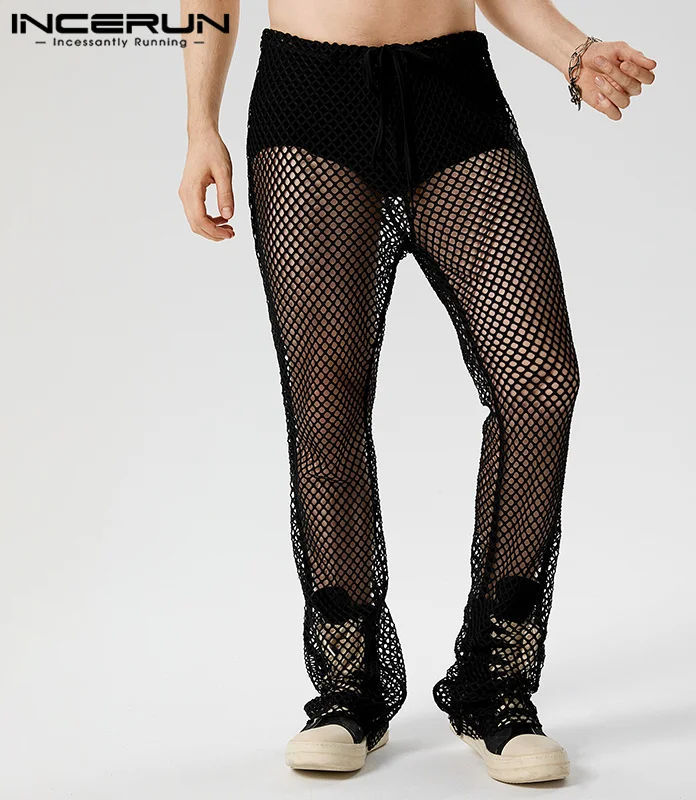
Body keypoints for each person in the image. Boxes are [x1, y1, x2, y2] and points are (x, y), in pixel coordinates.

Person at [178, 0, 655, 785]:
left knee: (539, 380)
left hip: (453, 93)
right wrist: (201, 125)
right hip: (309, 101)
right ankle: (348, 689)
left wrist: (576, 52)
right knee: (325, 406)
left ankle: (494, 683)